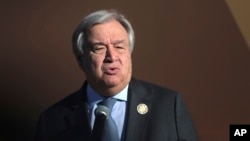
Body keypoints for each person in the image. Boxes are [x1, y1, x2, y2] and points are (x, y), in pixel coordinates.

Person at [36, 9, 198, 141]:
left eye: (119, 47)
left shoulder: (168, 106)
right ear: (81, 59)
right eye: (99, 48)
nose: (111, 57)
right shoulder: (52, 121)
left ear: (130, 54)